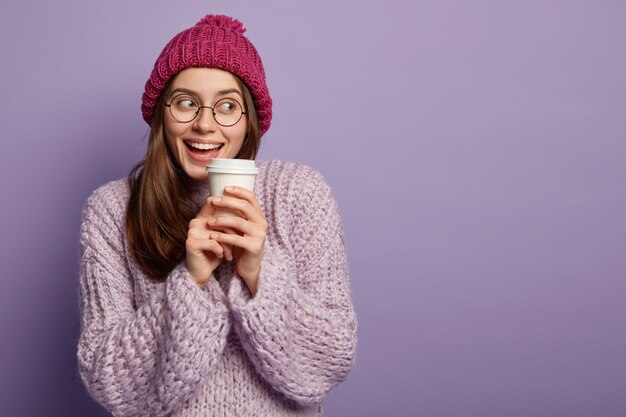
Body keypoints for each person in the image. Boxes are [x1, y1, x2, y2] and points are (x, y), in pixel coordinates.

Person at [77, 14, 357, 417]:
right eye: (186, 102)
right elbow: (108, 378)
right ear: (161, 113)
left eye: (227, 106)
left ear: (250, 123)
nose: (205, 124)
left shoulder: (299, 193)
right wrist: (190, 282)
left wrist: (260, 272)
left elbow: (331, 360)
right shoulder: (111, 209)